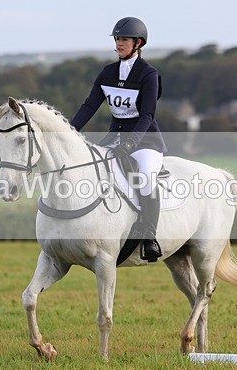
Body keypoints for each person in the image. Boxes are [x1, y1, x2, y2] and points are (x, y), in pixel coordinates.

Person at [70, 16, 166, 261]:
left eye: (124, 39)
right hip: (115, 138)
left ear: (138, 43)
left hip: (145, 141)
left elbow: (147, 114)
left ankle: (149, 237)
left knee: (145, 179)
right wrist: (68, 131)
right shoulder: (108, 72)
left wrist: (131, 143)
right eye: (117, 39)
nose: (119, 43)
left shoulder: (148, 74)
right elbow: (90, 105)